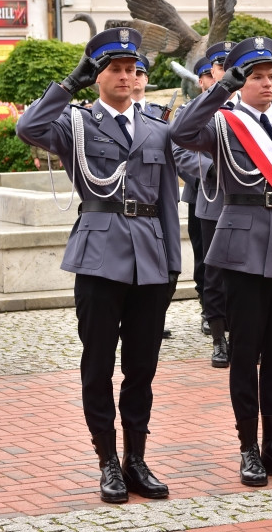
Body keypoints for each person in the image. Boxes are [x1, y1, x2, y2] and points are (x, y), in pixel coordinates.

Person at [16, 27, 180, 503]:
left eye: (132, 69)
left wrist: (172, 262)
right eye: (114, 69)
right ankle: (107, 460)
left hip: (150, 257)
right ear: (99, 74)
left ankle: (137, 458)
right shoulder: (77, 123)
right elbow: (28, 129)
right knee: (97, 364)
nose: (125, 77)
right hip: (99, 254)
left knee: (142, 367)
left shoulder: (157, 127)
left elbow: (168, 199)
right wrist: (69, 84)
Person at [171, 36, 272, 487]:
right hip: (240, 253)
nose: (267, 83)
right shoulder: (223, 124)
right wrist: (222, 89)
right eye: (256, 76)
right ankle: (247, 447)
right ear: (241, 80)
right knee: (244, 354)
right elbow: (180, 133)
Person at [174, 43, 235, 366]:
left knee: (243, 272)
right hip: (212, 199)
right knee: (213, 273)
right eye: (220, 66)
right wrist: (210, 169)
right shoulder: (196, 108)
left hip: (249, 205)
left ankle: (241, 334)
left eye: (231, 64)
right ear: (211, 71)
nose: (225, 71)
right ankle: (218, 338)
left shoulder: (252, 107)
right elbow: (179, 149)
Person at [171, 55, 215, 356]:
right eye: (210, 75)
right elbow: (180, 154)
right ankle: (208, 309)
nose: (216, 79)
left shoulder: (238, 111)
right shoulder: (188, 112)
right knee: (205, 257)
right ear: (201, 81)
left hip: (237, 196)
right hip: (202, 192)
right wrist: (211, 171)